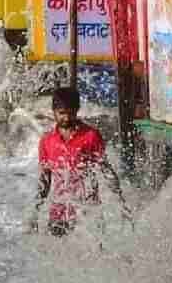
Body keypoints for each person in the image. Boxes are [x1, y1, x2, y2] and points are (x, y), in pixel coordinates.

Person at [31, 86, 129, 236]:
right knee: (57, 254)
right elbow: (45, 178)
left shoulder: (90, 136)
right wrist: (35, 211)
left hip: (87, 210)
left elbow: (105, 169)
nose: (66, 118)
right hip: (59, 210)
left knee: (92, 252)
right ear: (53, 111)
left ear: (77, 110)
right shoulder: (47, 141)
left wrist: (120, 200)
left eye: (70, 113)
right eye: (61, 113)